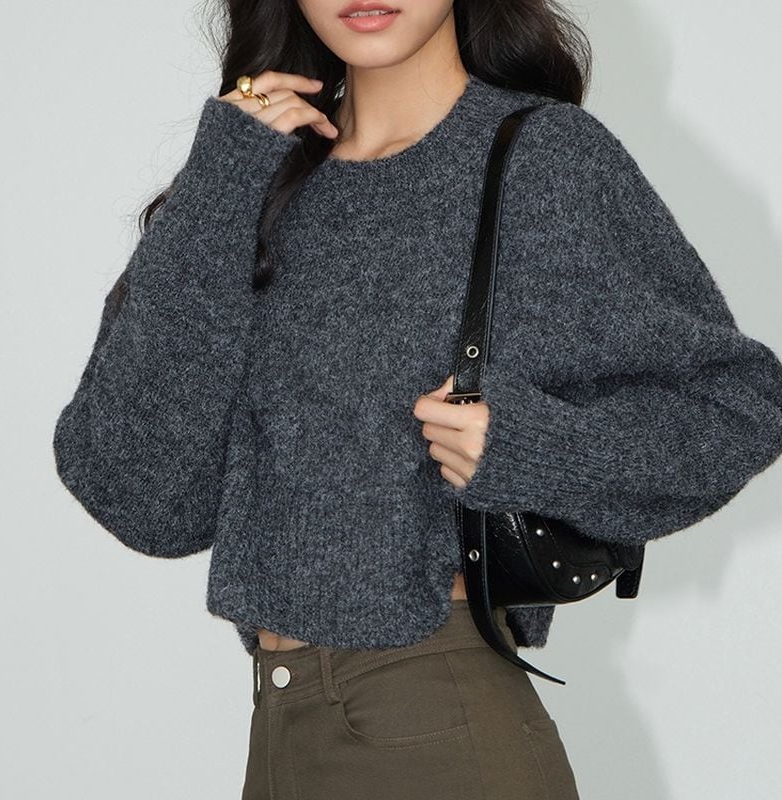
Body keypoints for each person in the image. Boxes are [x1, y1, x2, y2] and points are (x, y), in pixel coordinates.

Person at [52, 1, 782, 798]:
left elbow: (738, 407)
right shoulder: (254, 178)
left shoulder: (541, 160)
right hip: (278, 737)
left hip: (438, 723)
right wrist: (219, 182)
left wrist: (532, 448)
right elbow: (142, 500)